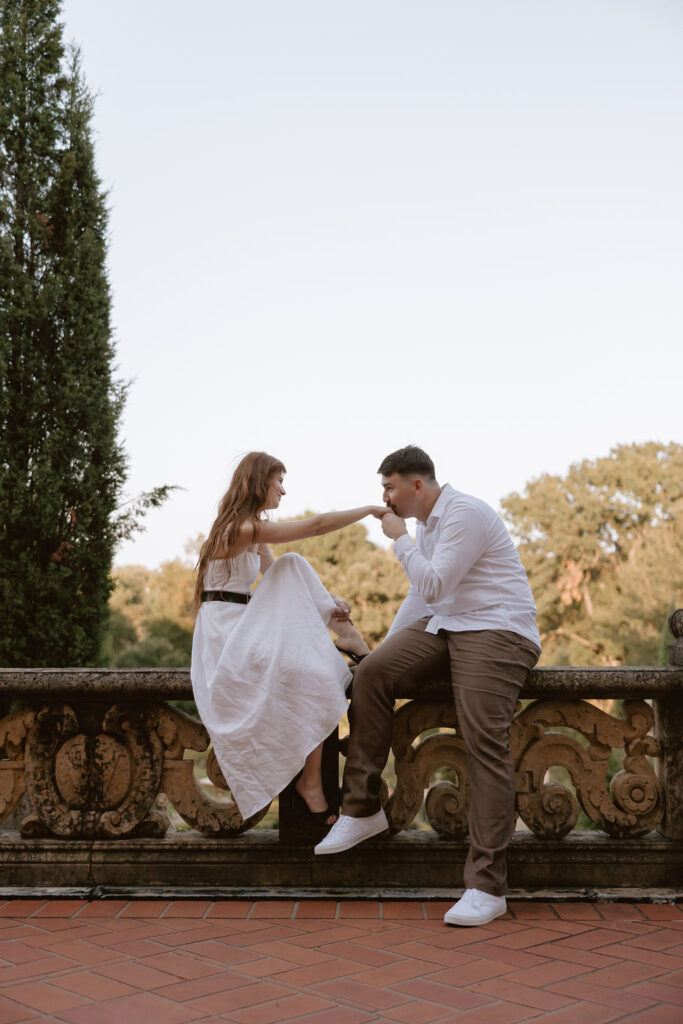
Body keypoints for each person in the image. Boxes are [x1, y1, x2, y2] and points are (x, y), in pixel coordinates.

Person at [315, 446, 541, 927]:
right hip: (449, 626)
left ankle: (487, 887)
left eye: (390, 487)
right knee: (372, 674)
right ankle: (361, 810)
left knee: (484, 744)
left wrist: (399, 541)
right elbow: (423, 598)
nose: (385, 499)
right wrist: (387, 652)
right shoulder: (426, 526)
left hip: (498, 629)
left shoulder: (465, 514)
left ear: (417, 486)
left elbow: (435, 585)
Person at [190, 451, 386, 826]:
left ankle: (311, 781)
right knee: (295, 561)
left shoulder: (252, 529)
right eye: (278, 481)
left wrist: (327, 601)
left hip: (242, 620)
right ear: (259, 481)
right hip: (224, 632)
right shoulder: (239, 529)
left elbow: (277, 574)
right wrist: (367, 510)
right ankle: (346, 636)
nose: (283, 489)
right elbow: (314, 527)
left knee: (313, 668)